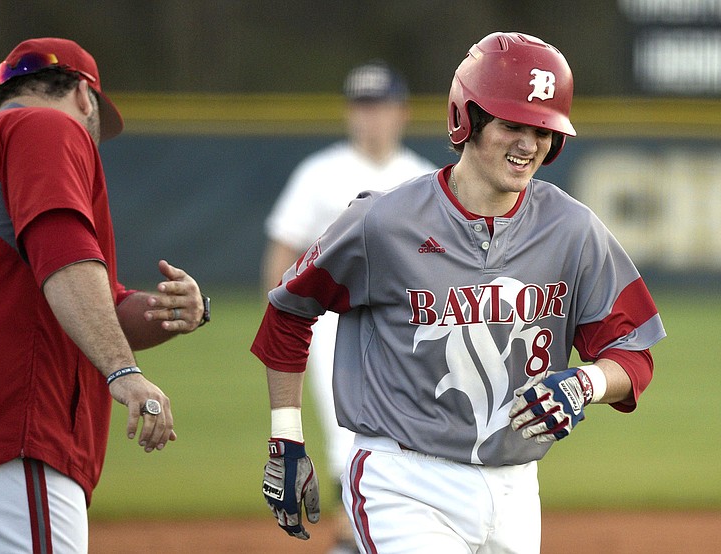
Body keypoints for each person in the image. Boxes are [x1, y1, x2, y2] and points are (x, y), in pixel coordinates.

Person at [252, 31, 666, 553]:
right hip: (402, 479)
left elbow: (632, 356)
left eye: (543, 129)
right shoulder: (383, 222)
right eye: (512, 124)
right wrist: (285, 433)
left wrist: (584, 383)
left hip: (516, 489)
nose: (528, 144)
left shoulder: (572, 229)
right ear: (465, 118)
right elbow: (289, 310)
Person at [0, 37, 210, 553]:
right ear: (83, 94)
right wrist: (125, 373)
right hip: (3, 443)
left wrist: (174, 310)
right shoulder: (46, 125)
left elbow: (90, 301)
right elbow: (64, 257)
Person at [260, 60, 436, 552]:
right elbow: (283, 249)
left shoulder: (422, 176)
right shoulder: (318, 173)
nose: (371, 117)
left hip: (404, 327)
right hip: (331, 328)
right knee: (347, 435)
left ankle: (381, 527)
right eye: (362, 106)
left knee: (407, 433)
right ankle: (353, 533)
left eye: (380, 106)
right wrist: (278, 327)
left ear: (402, 112)